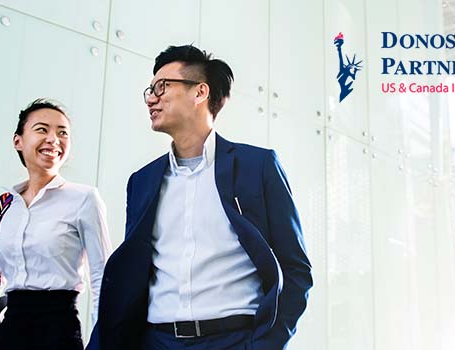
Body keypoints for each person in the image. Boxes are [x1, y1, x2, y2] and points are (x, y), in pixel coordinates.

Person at [87, 45, 313, 350]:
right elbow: (134, 275)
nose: (152, 98)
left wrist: (266, 345)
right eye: (150, 91)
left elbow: (295, 269)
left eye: (162, 87)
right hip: (158, 341)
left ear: (200, 92)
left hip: (235, 340)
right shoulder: (141, 182)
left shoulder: (257, 167)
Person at [0, 98, 111, 350]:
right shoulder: (5, 204)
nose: (54, 139)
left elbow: (102, 279)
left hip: (57, 333)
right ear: (18, 141)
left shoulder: (85, 199)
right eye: (42, 129)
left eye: (62, 133)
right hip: (7, 331)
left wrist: (102, 344)